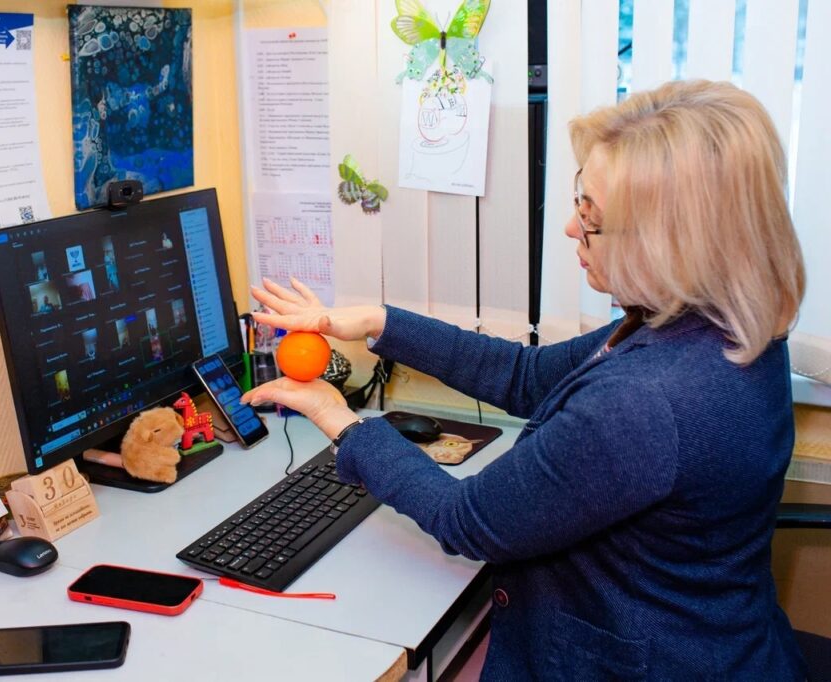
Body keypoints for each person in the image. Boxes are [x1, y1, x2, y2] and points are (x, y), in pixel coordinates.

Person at [242, 80, 807, 680]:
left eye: (591, 217)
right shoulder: (724, 321)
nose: (570, 229)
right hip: (726, 642)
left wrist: (339, 420)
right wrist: (376, 322)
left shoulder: (645, 401)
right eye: (579, 200)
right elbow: (528, 375)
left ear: (669, 242)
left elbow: (467, 520)